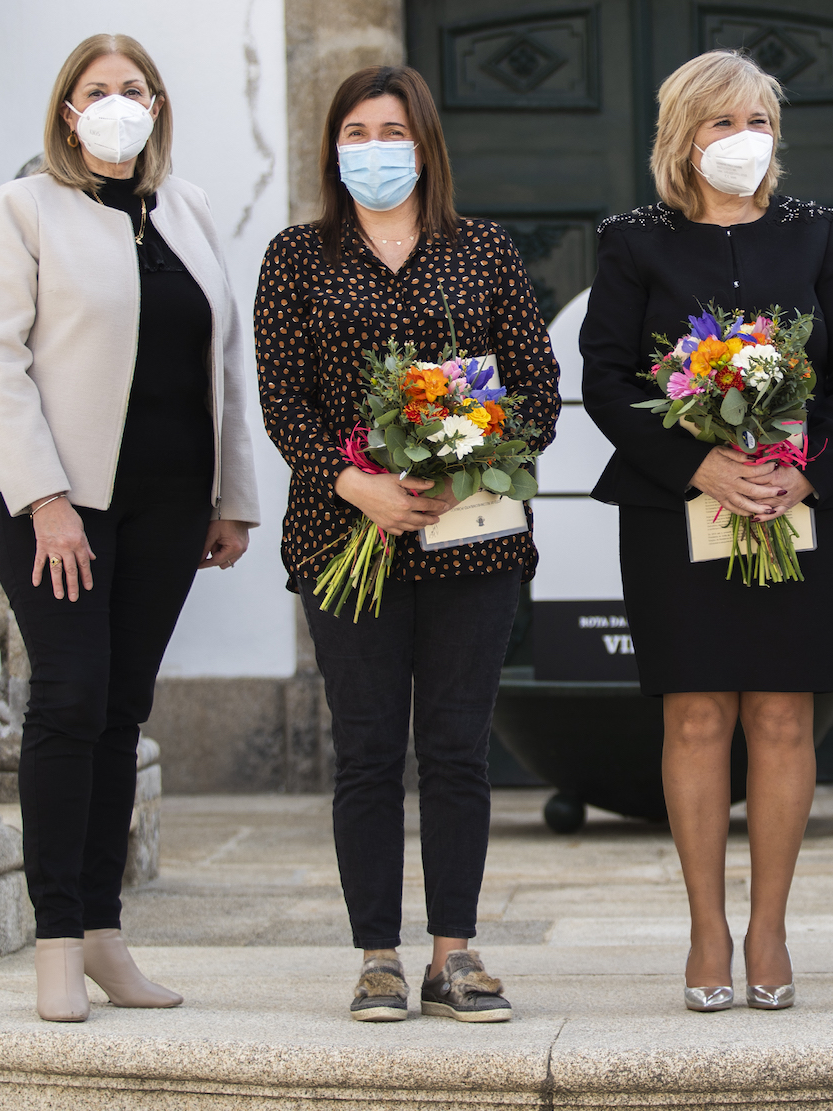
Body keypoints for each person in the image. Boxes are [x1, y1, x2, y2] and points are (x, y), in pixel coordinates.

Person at [579, 51, 833, 1012]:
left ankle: (770, 926)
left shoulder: (820, 234)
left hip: (799, 511)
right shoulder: (634, 241)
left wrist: (801, 472)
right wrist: (699, 464)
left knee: (785, 716)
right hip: (678, 514)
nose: (741, 140)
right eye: (720, 123)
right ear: (684, 135)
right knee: (698, 714)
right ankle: (708, 927)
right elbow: (605, 377)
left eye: (757, 120)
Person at [254, 65, 561, 1025]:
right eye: (357, 132)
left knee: (458, 748)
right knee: (369, 749)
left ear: (426, 144)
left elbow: (537, 388)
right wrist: (361, 485)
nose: (375, 149)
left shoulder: (484, 251)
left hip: (470, 540)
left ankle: (455, 954)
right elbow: (282, 397)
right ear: (333, 147)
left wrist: (465, 464)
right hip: (346, 533)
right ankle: (377, 955)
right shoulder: (297, 256)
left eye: (393, 131)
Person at [0, 33, 260, 1024]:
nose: (118, 104)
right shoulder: (26, 209)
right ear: (66, 112)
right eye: (99, 90)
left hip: (172, 502)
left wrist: (233, 495)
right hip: (57, 502)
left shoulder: (188, 210)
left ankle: (101, 930)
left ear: (159, 104)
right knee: (70, 697)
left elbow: (223, 357)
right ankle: (54, 936)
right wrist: (43, 495)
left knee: (122, 706)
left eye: (134, 88)